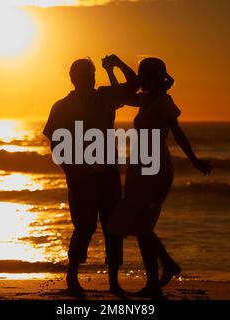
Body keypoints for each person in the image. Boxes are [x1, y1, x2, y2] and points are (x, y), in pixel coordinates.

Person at [107, 57, 212, 298]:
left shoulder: (164, 101)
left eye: (143, 75)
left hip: (155, 169)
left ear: (152, 77)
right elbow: (121, 95)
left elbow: (178, 134)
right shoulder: (146, 99)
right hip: (139, 167)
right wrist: (115, 67)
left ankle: (160, 274)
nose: (140, 79)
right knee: (140, 226)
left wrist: (195, 161)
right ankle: (159, 276)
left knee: (138, 224)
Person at [43, 55, 139, 298]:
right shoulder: (62, 106)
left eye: (92, 75)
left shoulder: (105, 97)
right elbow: (55, 143)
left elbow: (134, 84)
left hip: (107, 173)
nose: (90, 79)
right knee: (84, 227)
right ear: (74, 78)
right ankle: (72, 277)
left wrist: (116, 63)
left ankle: (114, 283)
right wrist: (72, 170)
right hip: (80, 177)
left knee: (113, 228)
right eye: (86, 75)